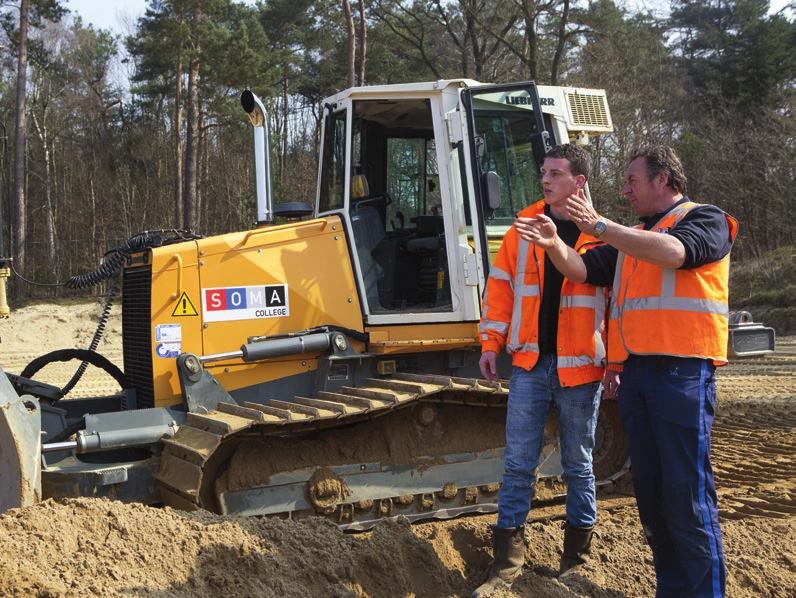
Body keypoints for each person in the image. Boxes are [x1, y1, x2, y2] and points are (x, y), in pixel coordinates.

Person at [516, 145, 736, 598]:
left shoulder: (706, 219)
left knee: (687, 496)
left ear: (663, 180)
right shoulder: (629, 238)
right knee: (653, 499)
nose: (625, 190)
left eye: (633, 181)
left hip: (682, 375)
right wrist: (555, 241)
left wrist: (599, 225)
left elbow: (677, 253)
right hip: (637, 377)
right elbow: (580, 270)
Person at [474, 144, 609, 596]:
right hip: (530, 363)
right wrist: (491, 342)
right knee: (517, 465)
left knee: (579, 465)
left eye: (555, 172)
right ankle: (506, 564)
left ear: (579, 182)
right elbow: (501, 291)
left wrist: (617, 360)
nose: (545, 180)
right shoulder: (523, 227)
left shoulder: (603, 234)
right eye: (543, 172)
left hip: (581, 369)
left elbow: (617, 304)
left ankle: (576, 561)